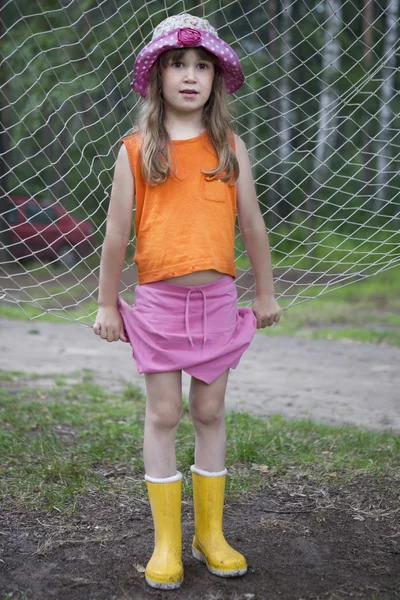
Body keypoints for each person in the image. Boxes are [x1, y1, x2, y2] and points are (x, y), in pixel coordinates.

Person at [93, 13, 280, 590]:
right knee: (165, 413)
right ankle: (167, 543)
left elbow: (251, 224)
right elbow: (116, 238)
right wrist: (106, 305)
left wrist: (266, 292)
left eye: (203, 66)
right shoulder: (135, 151)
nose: (191, 75)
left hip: (218, 301)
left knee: (209, 411)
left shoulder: (228, 145)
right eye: (178, 64)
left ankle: (211, 534)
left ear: (217, 80)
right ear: (156, 77)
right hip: (156, 306)